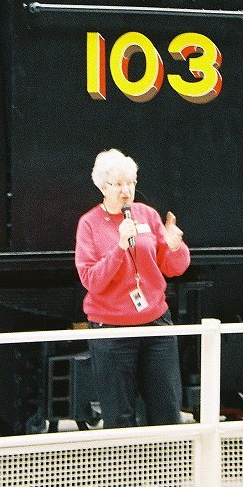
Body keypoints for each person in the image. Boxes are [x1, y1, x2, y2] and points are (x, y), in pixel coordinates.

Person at [75, 148, 190, 430]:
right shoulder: (89, 224)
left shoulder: (148, 215)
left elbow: (174, 267)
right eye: (118, 184)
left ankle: (166, 472)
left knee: (167, 411)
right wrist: (119, 247)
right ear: (102, 186)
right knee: (120, 417)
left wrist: (176, 247)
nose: (127, 191)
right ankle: (125, 473)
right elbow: (91, 280)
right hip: (113, 331)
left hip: (156, 325)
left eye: (131, 183)